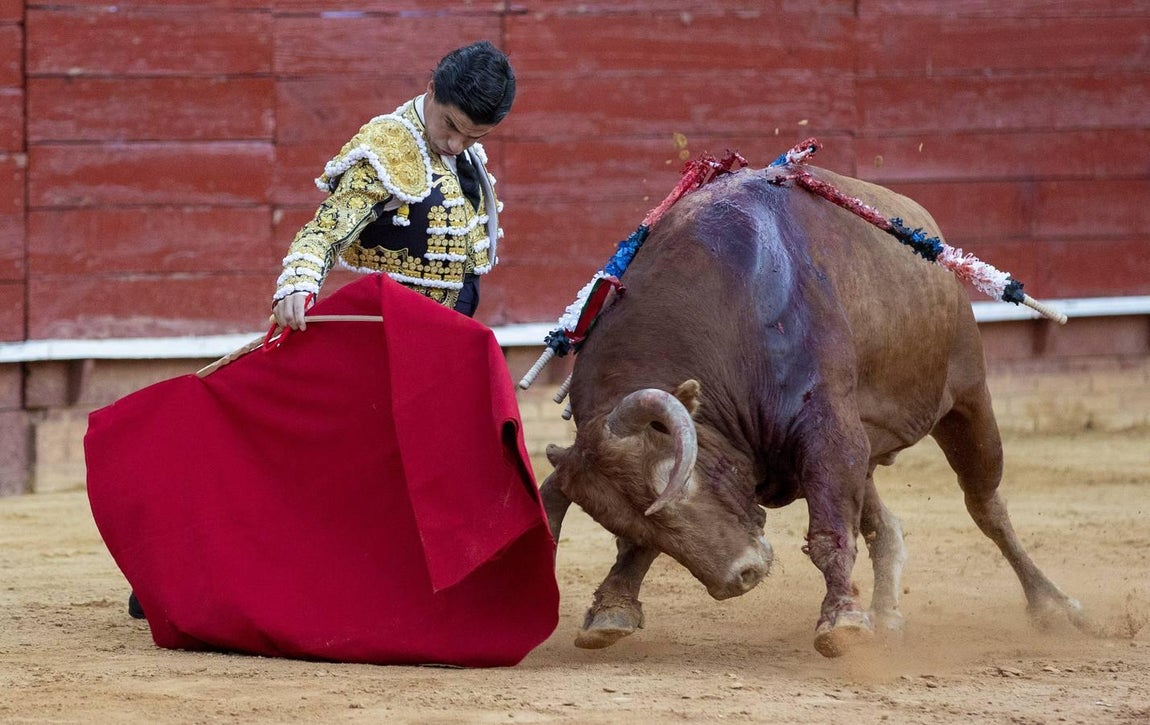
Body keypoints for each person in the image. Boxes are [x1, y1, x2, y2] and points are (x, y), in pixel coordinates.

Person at [272, 39, 514, 328]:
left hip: (448, 330)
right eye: (450, 124)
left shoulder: (465, 153)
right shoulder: (388, 146)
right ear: (432, 89)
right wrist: (300, 280)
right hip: (396, 332)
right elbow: (328, 227)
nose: (456, 144)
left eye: (473, 137)